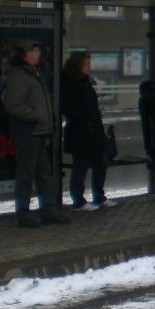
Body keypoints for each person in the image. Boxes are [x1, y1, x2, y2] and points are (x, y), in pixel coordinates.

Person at [3, 39, 68, 227]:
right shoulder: (18, 75)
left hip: (38, 130)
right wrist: (36, 116)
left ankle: (49, 210)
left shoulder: (33, 73)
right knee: (26, 172)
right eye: (35, 50)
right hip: (28, 131)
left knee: (44, 172)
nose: (39, 53)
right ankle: (23, 213)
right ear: (25, 53)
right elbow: (14, 104)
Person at [61, 51, 117, 211]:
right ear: (76, 65)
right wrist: (87, 123)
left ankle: (99, 196)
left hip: (93, 130)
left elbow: (92, 108)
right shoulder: (70, 84)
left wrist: (99, 130)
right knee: (81, 166)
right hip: (80, 131)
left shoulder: (85, 82)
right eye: (85, 64)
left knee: (101, 163)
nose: (89, 66)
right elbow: (71, 109)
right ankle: (78, 200)